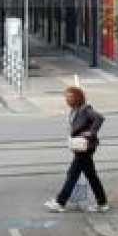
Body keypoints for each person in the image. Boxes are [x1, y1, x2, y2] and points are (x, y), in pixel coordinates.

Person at [47, 84, 108, 212]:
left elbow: (99, 118)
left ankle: (60, 202)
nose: (67, 99)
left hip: (85, 147)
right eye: (66, 97)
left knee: (73, 174)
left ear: (77, 97)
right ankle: (102, 203)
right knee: (91, 176)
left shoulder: (85, 109)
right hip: (80, 146)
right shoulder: (74, 110)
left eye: (70, 97)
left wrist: (91, 132)